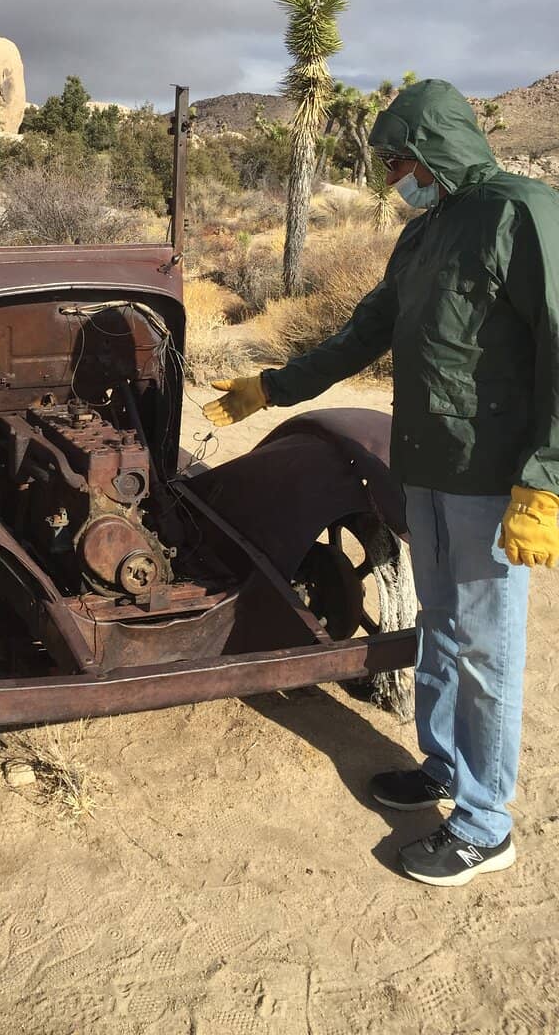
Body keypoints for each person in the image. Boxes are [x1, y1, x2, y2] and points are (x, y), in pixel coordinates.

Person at [203, 79, 559, 887]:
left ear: (437, 149)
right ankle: (440, 767)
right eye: (390, 164)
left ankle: (484, 823)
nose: (395, 178)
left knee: (486, 648)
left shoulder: (522, 213)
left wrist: (546, 481)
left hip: (493, 477)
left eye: (402, 160)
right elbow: (364, 332)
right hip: (426, 463)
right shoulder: (423, 236)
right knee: (440, 625)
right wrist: (275, 386)